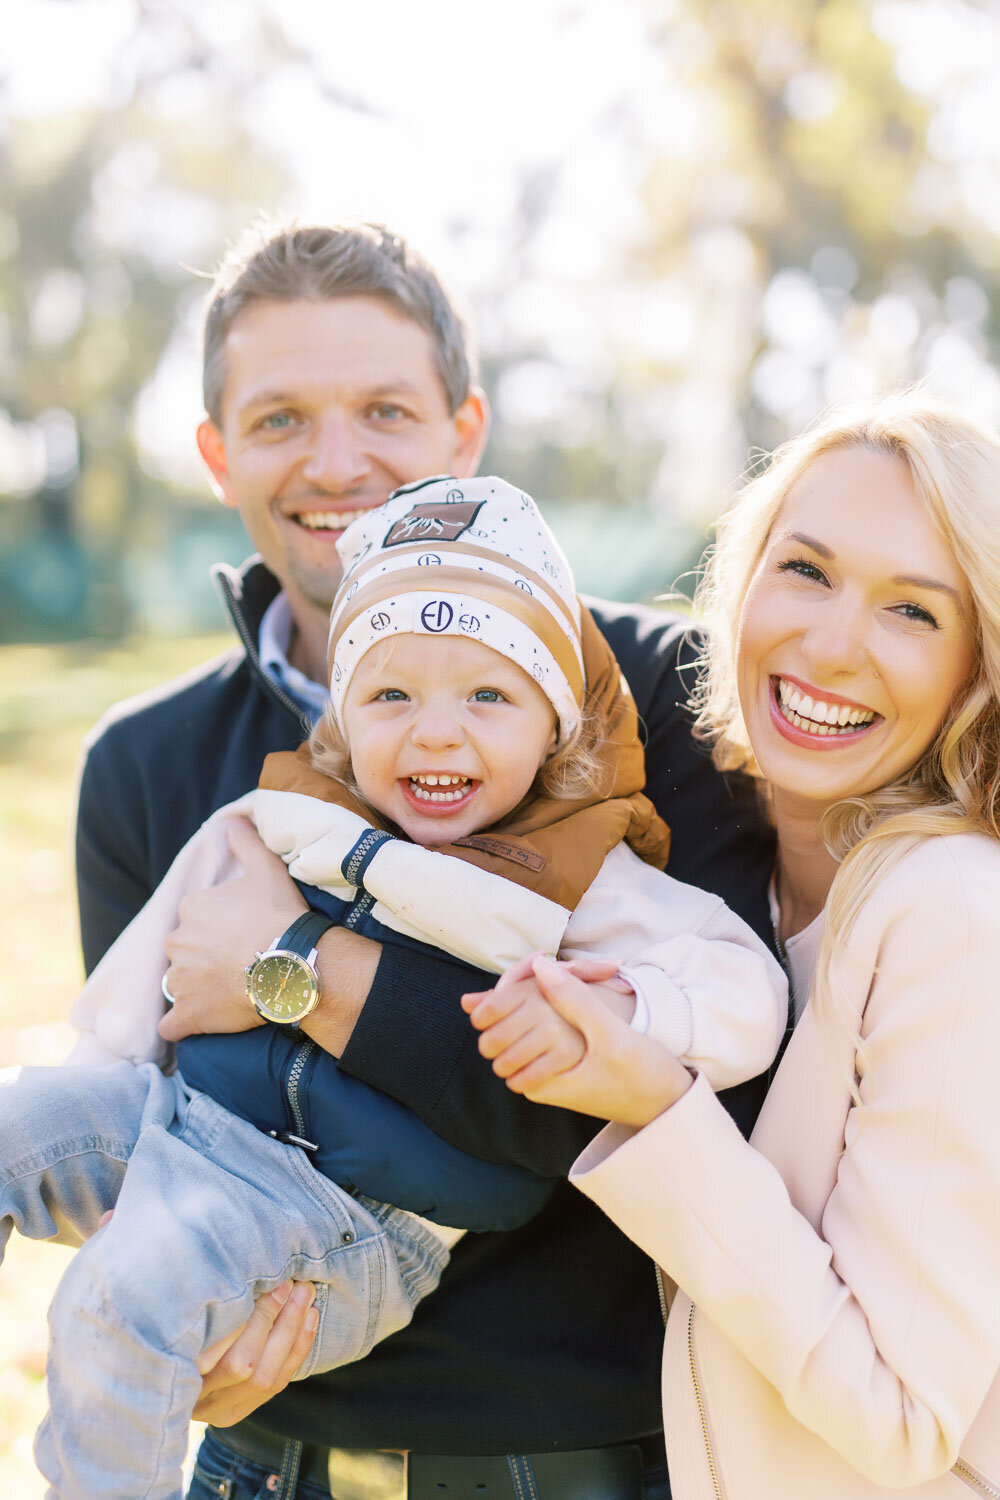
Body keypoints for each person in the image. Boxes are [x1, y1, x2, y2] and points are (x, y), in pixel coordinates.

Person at [75, 221, 777, 1498]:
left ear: (465, 432)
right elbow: (161, 1112)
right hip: (263, 1458)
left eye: (384, 410)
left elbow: (659, 1104)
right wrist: (178, 1329)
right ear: (216, 453)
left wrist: (294, 969)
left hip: (571, 1455)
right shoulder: (147, 765)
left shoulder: (655, 706)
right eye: (280, 417)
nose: (337, 462)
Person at [470, 395, 1000, 1497]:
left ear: (977, 670)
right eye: (803, 570)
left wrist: (657, 1107)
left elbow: (901, 1420)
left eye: (912, 610)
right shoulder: (734, 880)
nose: (829, 643)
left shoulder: (953, 910)